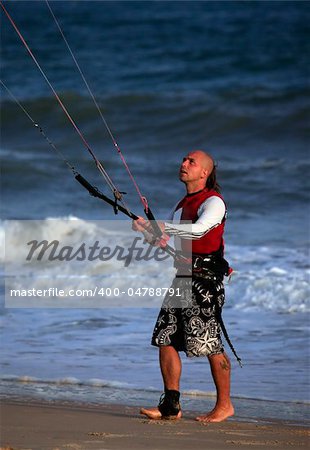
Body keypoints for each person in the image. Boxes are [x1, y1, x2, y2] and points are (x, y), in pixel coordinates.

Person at [133, 150, 234, 423]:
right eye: (183, 160)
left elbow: (199, 230)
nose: (184, 164)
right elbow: (170, 242)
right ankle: (171, 406)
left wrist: (162, 227)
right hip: (181, 278)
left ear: (205, 173)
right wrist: (149, 233)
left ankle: (224, 405)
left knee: (210, 343)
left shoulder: (213, 202)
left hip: (205, 282)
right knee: (165, 339)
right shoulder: (180, 206)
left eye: (192, 162)